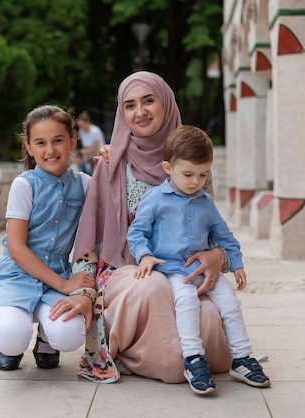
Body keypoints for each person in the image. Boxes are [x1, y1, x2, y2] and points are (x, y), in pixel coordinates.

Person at [65, 71, 233, 384]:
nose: (139, 112)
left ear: (166, 103)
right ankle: (161, 359)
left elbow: (212, 232)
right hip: (125, 272)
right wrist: (84, 289)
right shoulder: (110, 163)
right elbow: (90, 240)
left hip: (180, 272)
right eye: (129, 105)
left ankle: (152, 357)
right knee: (152, 288)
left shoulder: (191, 163)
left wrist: (218, 256)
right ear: (121, 112)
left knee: (208, 319)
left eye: (148, 101)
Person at [127, 125, 271, 394]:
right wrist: (144, 255)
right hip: (173, 271)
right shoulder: (155, 199)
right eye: (188, 174)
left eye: (203, 174)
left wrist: (237, 264)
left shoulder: (205, 202)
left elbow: (225, 236)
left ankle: (242, 358)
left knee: (230, 304)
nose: (196, 181)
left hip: (205, 272)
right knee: (187, 302)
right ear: (168, 168)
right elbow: (137, 232)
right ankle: (193, 358)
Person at [0, 105, 95, 372]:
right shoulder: (24, 185)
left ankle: (46, 339)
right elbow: (16, 248)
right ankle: (9, 341)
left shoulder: (84, 184)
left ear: (72, 141)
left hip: (56, 279)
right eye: (41, 143)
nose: (50, 150)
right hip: (17, 275)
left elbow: (117, 194)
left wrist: (111, 158)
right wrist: (65, 284)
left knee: (70, 336)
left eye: (58, 140)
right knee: (12, 338)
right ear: (29, 148)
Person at [76, 111, 107, 175]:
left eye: (82, 125)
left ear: (87, 123)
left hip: (99, 156)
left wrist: (81, 152)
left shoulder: (95, 131)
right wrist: (84, 156)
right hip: (90, 156)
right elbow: (85, 146)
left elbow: (93, 149)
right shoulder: (81, 131)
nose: (81, 127)